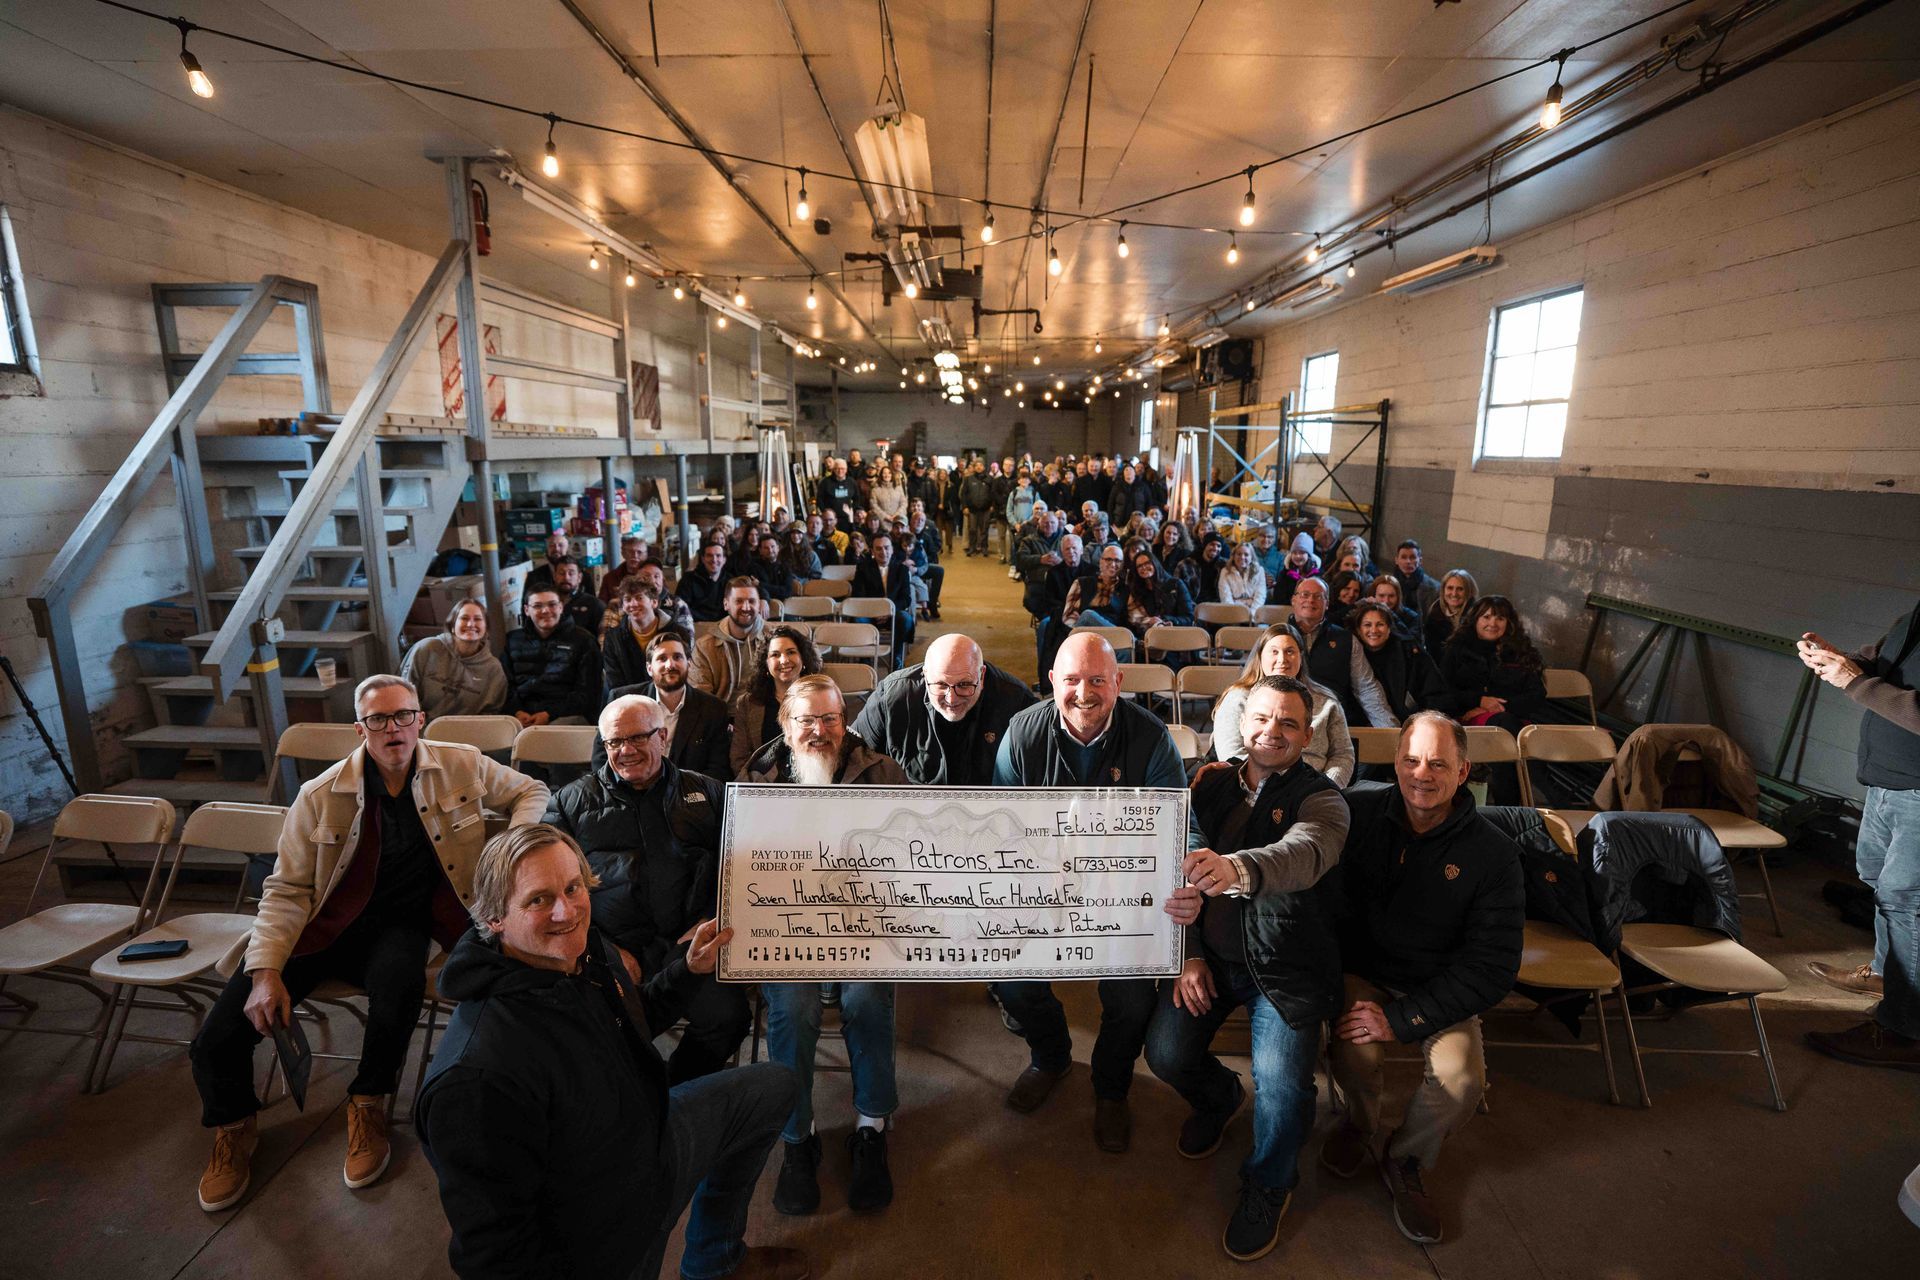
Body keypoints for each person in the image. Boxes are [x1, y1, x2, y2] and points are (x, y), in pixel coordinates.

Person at [190, 676, 548, 1213]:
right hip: (321, 926)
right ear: (360, 729)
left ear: (420, 719)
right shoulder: (318, 795)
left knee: (399, 987)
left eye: (403, 715)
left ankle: (368, 1102)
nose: (393, 728)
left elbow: (531, 790)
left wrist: (511, 850)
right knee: (218, 1036)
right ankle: (235, 1127)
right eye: (378, 720)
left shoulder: (462, 763)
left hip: (399, 926)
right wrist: (265, 973)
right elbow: (285, 890)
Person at [416, 825, 807, 1280]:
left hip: (653, 1139)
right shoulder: (475, 1078)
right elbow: (497, 1255)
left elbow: (633, 1019)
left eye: (573, 887)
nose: (567, 911)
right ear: (494, 918)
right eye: (538, 899)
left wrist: (689, 969)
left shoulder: (582, 951)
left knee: (774, 1086)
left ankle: (714, 1261)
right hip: (602, 1235)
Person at [1148, 676, 1352, 1262]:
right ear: (1242, 722)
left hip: (1285, 970)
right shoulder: (1208, 782)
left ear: (1308, 735)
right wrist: (1188, 953)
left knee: (1285, 1091)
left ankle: (1269, 1183)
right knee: (1165, 1054)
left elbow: (1305, 853)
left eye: (1289, 723)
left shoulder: (1324, 799)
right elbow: (1181, 861)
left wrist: (1236, 871)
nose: (1273, 732)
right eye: (1262, 718)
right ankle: (1218, 1098)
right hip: (1210, 958)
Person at [1324, 712, 1523, 1247]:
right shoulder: (1358, 813)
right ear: (1395, 762)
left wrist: (1403, 1019)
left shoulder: (1494, 853)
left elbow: (1493, 967)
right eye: (1411, 760)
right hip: (1365, 975)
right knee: (1353, 1049)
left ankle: (1405, 1155)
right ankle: (1359, 1123)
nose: (1422, 774)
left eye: (1439, 763)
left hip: (1441, 986)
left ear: (1463, 772)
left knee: (1462, 1081)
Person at [991, 633, 1187, 1152]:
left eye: (1097, 680)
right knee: (1011, 982)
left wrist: (1187, 875)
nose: (1084, 693)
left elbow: (1178, 826)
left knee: (1128, 997)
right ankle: (1051, 1057)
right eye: (1072, 680)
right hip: (1041, 887)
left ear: (1118, 683)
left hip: (1124, 890)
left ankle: (1111, 1086)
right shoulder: (1022, 734)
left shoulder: (1150, 738)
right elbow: (1001, 827)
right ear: (1052, 682)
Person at [743, 676, 909, 1215]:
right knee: (791, 1006)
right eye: (806, 720)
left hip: (867, 926)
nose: (819, 731)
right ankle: (798, 1138)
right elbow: (740, 866)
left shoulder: (883, 772)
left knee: (866, 999)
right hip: (787, 930)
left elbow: (916, 853)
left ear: (846, 719)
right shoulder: (756, 778)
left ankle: (870, 1128)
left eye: (831, 719)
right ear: (785, 724)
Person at [542, 695, 748, 1083]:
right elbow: (551, 888)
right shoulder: (569, 803)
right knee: (597, 1025)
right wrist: (599, 946)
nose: (625, 751)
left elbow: (739, 866)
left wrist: (709, 917)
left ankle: (671, 1093)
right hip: (606, 945)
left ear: (663, 736)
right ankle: (625, 1101)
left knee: (728, 1018)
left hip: (690, 938)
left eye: (637, 738)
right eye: (614, 742)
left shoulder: (708, 793)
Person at [1801, 603, 1920, 1069]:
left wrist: (1856, 680)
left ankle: (1904, 1033)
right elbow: (1891, 657)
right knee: (1877, 881)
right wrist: (1843, 660)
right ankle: (1887, 978)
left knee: (1906, 901)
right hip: (1888, 778)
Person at [852, 634, 1032, 785]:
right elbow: (851, 757)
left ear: (982, 675)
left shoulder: (1016, 702)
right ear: (925, 674)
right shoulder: (891, 697)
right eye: (940, 684)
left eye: (964, 684)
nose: (951, 698)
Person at [1429, 595, 1545, 804]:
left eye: (1500, 618)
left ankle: (1509, 806)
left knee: (1506, 729)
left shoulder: (1521, 652)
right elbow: (1442, 691)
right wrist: (1479, 701)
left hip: (1511, 719)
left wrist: (1495, 707)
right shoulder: (1456, 648)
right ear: (1476, 620)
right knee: (1505, 731)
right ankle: (1530, 800)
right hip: (1464, 720)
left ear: (1509, 623)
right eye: (1486, 617)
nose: (1492, 623)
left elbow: (1536, 695)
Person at [1212, 626, 1355, 787]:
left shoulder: (1327, 701)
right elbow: (1232, 756)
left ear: (1301, 657)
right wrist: (1277, 790)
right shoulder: (1238, 698)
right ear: (1260, 657)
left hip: (1316, 788)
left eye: (1290, 651)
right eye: (1274, 652)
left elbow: (1342, 754)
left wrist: (1326, 787)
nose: (1282, 659)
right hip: (1257, 791)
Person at [606, 630, 733, 780]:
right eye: (662, 658)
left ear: (689, 664)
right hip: (631, 791)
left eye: (677, 657)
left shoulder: (713, 709)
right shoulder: (622, 700)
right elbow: (603, 756)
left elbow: (718, 769)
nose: (670, 665)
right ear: (649, 668)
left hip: (687, 795)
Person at [1286, 577, 1397, 730]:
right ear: (1293, 600)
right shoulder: (1274, 637)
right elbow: (1253, 682)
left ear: (1327, 604)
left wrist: (1390, 733)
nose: (1311, 600)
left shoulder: (1346, 640)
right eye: (1305, 594)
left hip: (1332, 724)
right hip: (1285, 721)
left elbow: (1366, 689)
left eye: (1318, 596)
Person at [730, 625, 824, 777]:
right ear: (766, 664)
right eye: (775, 655)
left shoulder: (823, 697)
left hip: (813, 781)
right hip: (762, 786)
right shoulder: (747, 703)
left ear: (803, 658)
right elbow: (739, 759)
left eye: (791, 652)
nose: (784, 660)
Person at [504, 586, 601, 727]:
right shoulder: (513, 640)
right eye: (537, 606)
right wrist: (517, 712)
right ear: (527, 610)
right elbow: (506, 686)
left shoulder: (584, 640)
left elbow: (588, 693)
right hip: (521, 717)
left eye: (552, 604)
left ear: (561, 607)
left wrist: (549, 714)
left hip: (568, 716)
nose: (545, 611)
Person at [401, 598, 507, 718]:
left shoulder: (494, 669)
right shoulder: (426, 650)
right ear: (452, 626)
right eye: (464, 618)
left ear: (486, 629)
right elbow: (403, 696)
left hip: (467, 733)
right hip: (421, 730)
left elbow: (492, 712)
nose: (471, 624)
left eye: (477, 619)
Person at [1352, 600, 1439, 723]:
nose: (1374, 630)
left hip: (1412, 722)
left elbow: (1434, 692)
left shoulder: (1410, 653)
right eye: (1367, 625)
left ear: (1389, 628)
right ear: (1359, 630)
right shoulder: (1352, 656)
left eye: (1380, 624)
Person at [691, 576, 766, 705]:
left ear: (759, 604)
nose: (746, 607)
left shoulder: (773, 639)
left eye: (752, 601)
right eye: (739, 601)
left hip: (763, 713)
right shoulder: (704, 646)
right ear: (726, 604)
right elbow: (701, 695)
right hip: (721, 714)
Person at [601, 578, 681, 694]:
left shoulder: (677, 633)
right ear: (623, 607)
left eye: (639, 598)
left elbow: (679, 676)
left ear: (654, 602)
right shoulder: (613, 638)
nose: (633, 604)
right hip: (628, 701)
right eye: (627, 600)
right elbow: (615, 683)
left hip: (668, 697)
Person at [852, 534, 915, 669]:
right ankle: (865, 658)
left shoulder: (902, 569)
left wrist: (888, 612)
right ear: (872, 551)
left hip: (893, 614)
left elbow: (906, 599)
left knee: (905, 619)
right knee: (857, 620)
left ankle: (896, 656)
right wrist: (875, 612)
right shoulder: (863, 568)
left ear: (892, 549)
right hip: (869, 614)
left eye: (886, 548)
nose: (883, 552)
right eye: (879, 549)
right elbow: (858, 596)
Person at [1126, 547, 1196, 639]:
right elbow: (1133, 621)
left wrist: (1166, 620)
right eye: (1139, 566)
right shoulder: (1136, 590)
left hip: (1175, 634)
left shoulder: (1176, 584)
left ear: (1155, 563)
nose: (1144, 567)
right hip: (1148, 637)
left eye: (1147, 563)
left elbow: (1188, 618)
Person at [1423, 568, 1477, 655]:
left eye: (1460, 589)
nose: (1454, 593)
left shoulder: (1477, 614)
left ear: (1469, 591)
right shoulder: (1435, 610)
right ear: (1443, 590)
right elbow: (1431, 646)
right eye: (1450, 588)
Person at [548, 557, 607, 636]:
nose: (566, 577)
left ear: (579, 578)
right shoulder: (546, 604)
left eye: (571, 573)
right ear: (554, 576)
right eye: (561, 573)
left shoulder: (595, 605)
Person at [678, 541, 732, 624]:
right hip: (695, 625)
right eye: (709, 555)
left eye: (718, 555)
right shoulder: (688, 579)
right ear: (703, 559)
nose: (714, 560)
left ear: (724, 560)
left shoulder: (731, 582)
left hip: (723, 626)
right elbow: (681, 607)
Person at [1391, 539, 1442, 617]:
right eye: (1403, 557)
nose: (1408, 561)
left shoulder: (1434, 588)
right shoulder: (1389, 584)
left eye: (1412, 557)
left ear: (1420, 561)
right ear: (1396, 560)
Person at [1217, 541, 1268, 613]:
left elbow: (1260, 596)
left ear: (1251, 557)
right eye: (1239, 554)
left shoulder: (1259, 571)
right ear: (1233, 556)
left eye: (1246, 554)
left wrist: (1251, 614)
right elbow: (1225, 597)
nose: (1242, 557)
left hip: (1255, 612)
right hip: (1232, 613)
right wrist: (1236, 615)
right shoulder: (1225, 571)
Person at [597, 534, 650, 603]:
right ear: (623, 553)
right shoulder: (609, 578)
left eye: (639, 552)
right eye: (630, 552)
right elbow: (602, 605)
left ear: (646, 555)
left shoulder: (653, 576)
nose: (635, 556)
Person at [521, 529, 574, 598]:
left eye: (560, 545)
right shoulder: (533, 576)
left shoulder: (582, 576)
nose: (556, 549)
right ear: (546, 550)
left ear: (567, 549)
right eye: (552, 545)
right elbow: (526, 606)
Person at [1272, 532, 1320, 605]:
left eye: (1302, 553)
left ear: (1309, 555)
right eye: (1294, 553)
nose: (1297, 556)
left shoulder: (1318, 575)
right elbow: (1279, 598)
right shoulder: (1285, 574)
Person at [1369, 574, 1422, 638]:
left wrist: (1390, 613)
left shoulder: (1412, 618)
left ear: (1398, 596)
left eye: (1391, 596)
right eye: (1381, 596)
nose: (1386, 601)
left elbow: (1412, 642)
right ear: (1373, 596)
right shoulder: (1365, 616)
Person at [749, 532, 796, 604]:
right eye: (766, 548)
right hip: (761, 604)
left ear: (778, 548)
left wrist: (761, 584)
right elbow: (756, 591)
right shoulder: (754, 566)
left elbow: (787, 591)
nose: (770, 550)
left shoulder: (785, 566)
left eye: (772, 546)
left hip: (784, 605)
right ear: (760, 550)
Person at [961, 460, 994, 557]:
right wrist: (965, 506)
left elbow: (993, 493)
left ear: (984, 467)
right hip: (972, 509)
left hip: (986, 509)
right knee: (972, 529)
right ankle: (972, 548)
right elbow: (964, 494)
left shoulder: (990, 479)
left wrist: (992, 505)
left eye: (981, 465)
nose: (979, 467)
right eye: (977, 465)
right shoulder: (968, 479)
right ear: (974, 467)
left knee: (984, 530)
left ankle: (984, 548)